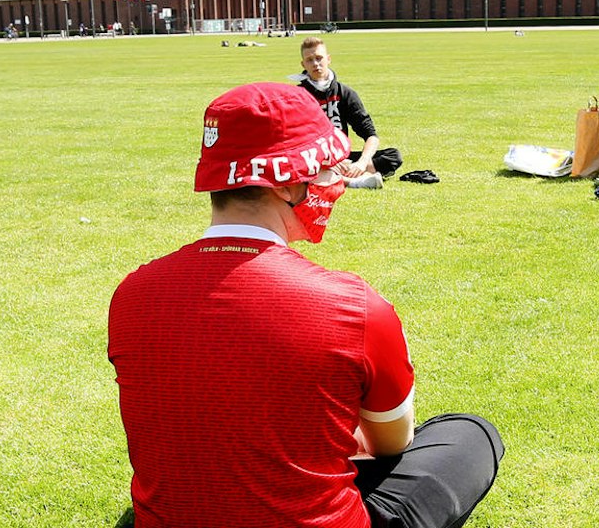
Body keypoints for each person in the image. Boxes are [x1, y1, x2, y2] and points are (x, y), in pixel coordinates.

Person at [108, 82, 503, 528]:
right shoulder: (354, 306)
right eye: (326, 171)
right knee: (469, 434)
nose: (334, 184)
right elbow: (392, 442)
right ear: (286, 184)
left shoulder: (131, 294)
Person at [291, 36, 401, 189]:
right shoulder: (297, 95)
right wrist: (324, 161)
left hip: (341, 157)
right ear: (303, 64)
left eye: (319, 58)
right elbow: (294, 139)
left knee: (392, 156)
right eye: (310, 60)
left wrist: (361, 163)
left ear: (328, 59)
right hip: (312, 157)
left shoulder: (345, 93)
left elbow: (371, 135)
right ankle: (354, 181)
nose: (315, 64)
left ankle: (342, 175)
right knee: (293, 164)